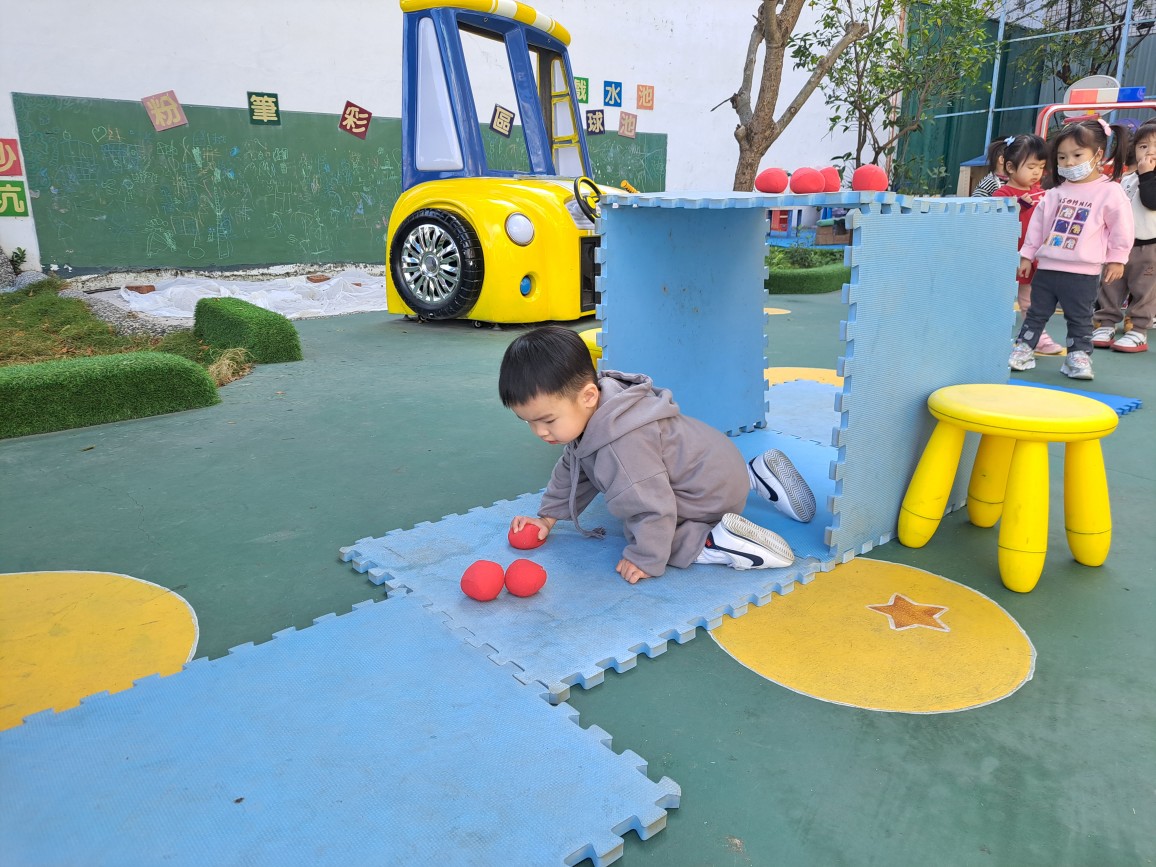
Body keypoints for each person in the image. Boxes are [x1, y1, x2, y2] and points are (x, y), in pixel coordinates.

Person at [498, 326, 816, 584]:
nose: (539, 432)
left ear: (588, 396)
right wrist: (547, 518)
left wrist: (645, 558)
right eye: (529, 422)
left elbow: (651, 507)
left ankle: (717, 541)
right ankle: (757, 474)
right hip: (720, 463)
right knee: (652, 490)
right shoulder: (609, 400)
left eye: (547, 420)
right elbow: (573, 468)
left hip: (710, 495)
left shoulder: (622, 447)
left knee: (648, 530)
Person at [1009, 119, 1134, 380]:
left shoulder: (1110, 192)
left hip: (1083, 272)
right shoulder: (1054, 193)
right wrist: (1027, 255)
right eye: (1062, 157)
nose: (1069, 163)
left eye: (1077, 155)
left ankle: (1078, 356)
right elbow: (1037, 227)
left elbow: (1122, 228)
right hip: (1047, 268)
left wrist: (1117, 258)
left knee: (1080, 317)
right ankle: (1024, 348)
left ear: (1098, 155)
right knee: (1036, 313)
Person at [992, 134, 1064, 355]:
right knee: (1011, 300)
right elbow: (996, 219)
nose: (1037, 173)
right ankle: (1033, 337)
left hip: (1034, 256)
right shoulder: (1003, 194)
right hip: (1010, 257)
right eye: (1031, 167)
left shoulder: (1039, 192)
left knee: (1033, 299)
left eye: (1041, 167)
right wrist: (1017, 206)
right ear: (1010, 167)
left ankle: (1033, 336)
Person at [1092, 119, 1156, 353]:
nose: (1149, 152)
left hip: (1149, 247)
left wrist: (1147, 175)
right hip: (1121, 246)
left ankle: (1138, 330)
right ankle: (1106, 323)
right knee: (1111, 284)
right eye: (1143, 146)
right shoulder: (1129, 179)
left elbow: (1151, 202)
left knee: (1145, 290)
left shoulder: (1147, 178)